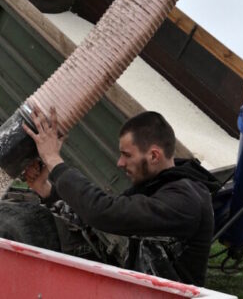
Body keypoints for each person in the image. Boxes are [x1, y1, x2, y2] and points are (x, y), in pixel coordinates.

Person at [22, 105, 218, 286]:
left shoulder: (185, 200)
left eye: (127, 155)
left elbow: (105, 213)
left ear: (154, 156)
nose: (120, 163)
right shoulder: (155, 188)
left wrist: (54, 161)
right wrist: (46, 189)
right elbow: (97, 225)